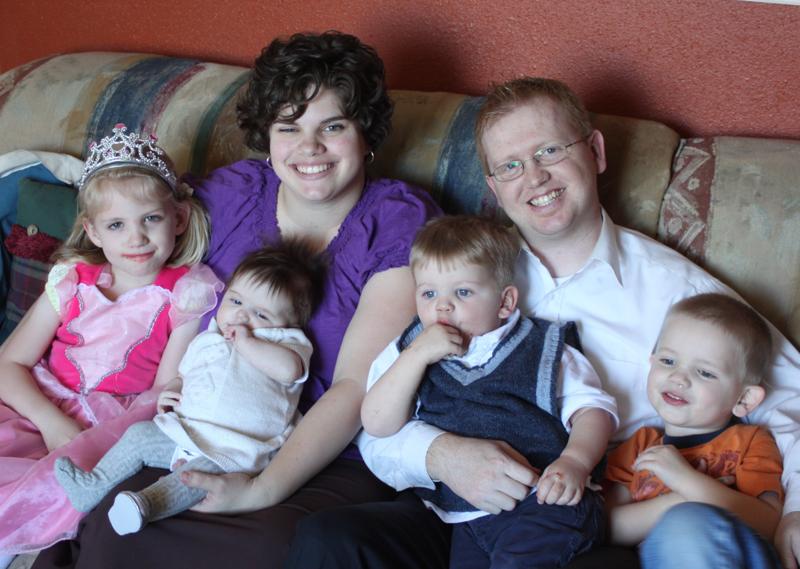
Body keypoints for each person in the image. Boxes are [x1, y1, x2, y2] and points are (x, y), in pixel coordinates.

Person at [285, 77, 800, 569]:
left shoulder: (679, 292)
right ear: (494, 186)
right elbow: (378, 419)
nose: (534, 177)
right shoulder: (460, 279)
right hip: (452, 504)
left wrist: (795, 512)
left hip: (575, 513)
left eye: (550, 151)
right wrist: (441, 455)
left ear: (595, 152)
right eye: (510, 166)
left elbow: (789, 399)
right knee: (330, 540)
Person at [32, 31, 440, 569]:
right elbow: (131, 235)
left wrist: (260, 490)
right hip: (195, 427)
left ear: (365, 133)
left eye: (333, 126)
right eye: (288, 127)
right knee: (114, 531)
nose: (310, 148)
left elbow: (353, 387)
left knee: (262, 550)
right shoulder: (231, 195)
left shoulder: (396, 221)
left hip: (316, 454)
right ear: (266, 136)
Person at [0, 124, 220, 567]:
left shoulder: (187, 293)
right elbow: (9, 363)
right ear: (94, 231)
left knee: (54, 484)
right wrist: (49, 421)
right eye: (116, 224)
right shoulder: (72, 280)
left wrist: (94, 438)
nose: (136, 238)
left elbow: (161, 392)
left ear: (178, 219)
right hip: (36, 405)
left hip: (111, 421)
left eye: (151, 219)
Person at [361, 215, 617, 568]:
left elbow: (593, 411)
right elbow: (377, 422)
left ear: (505, 302)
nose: (442, 306)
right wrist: (417, 355)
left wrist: (575, 461)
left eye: (462, 292)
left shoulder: (543, 348)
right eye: (429, 293)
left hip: (544, 504)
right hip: (466, 518)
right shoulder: (409, 350)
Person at [54, 241, 321, 535]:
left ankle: (146, 505)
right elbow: (187, 372)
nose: (241, 316)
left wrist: (247, 343)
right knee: (139, 435)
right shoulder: (209, 339)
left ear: (289, 325)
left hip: (235, 450)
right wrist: (175, 388)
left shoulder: (286, 344)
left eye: (262, 315)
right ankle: (92, 486)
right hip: (186, 431)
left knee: (194, 480)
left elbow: (290, 370)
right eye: (236, 302)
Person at [605, 293, 782, 568]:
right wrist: (678, 499)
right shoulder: (641, 445)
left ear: (744, 399)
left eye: (705, 373)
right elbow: (606, 528)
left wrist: (686, 479)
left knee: (686, 524)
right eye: (668, 361)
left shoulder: (750, 441)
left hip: (729, 556)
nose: (678, 377)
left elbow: (769, 524)